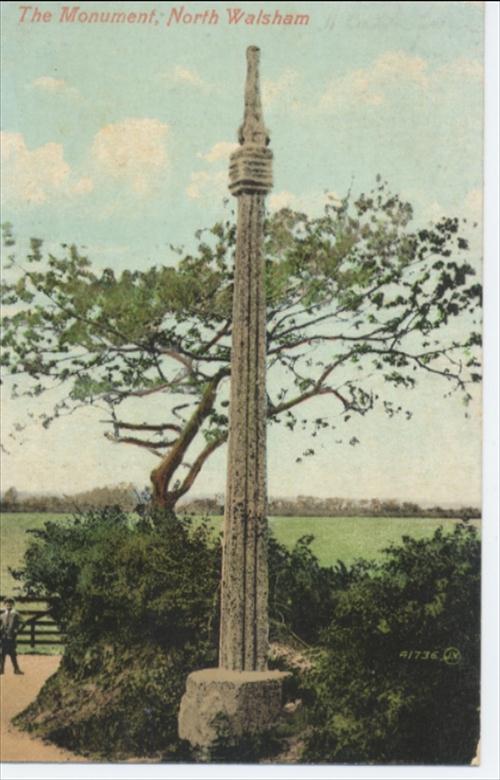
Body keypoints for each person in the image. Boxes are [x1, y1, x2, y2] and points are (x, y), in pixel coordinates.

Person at [0, 597, 24, 675]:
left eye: (10, 603)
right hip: (3, 637)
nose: (8, 605)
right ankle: (1, 669)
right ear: (4, 605)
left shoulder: (16, 614)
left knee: (12, 653)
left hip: (11, 637)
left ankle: (16, 669)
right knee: (2, 653)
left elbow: (22, 623)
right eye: (7, 603)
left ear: (13, 604)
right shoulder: (2, 615)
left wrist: (17, 630)